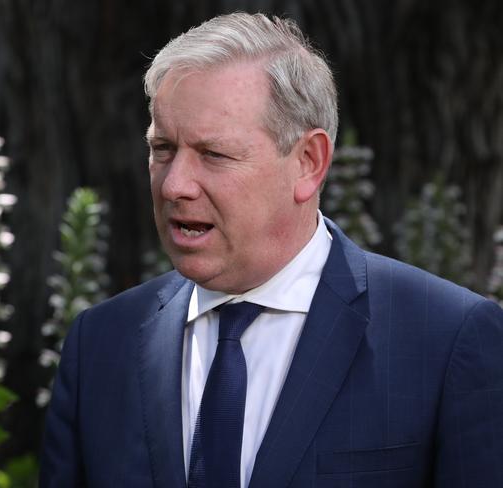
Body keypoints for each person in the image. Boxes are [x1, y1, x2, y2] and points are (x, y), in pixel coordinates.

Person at [39, 12, 503, 488]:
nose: (175, 184)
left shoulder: (445, 340)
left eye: (213, 155)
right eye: (163, 149)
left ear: (309, 162)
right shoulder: (99, 343)